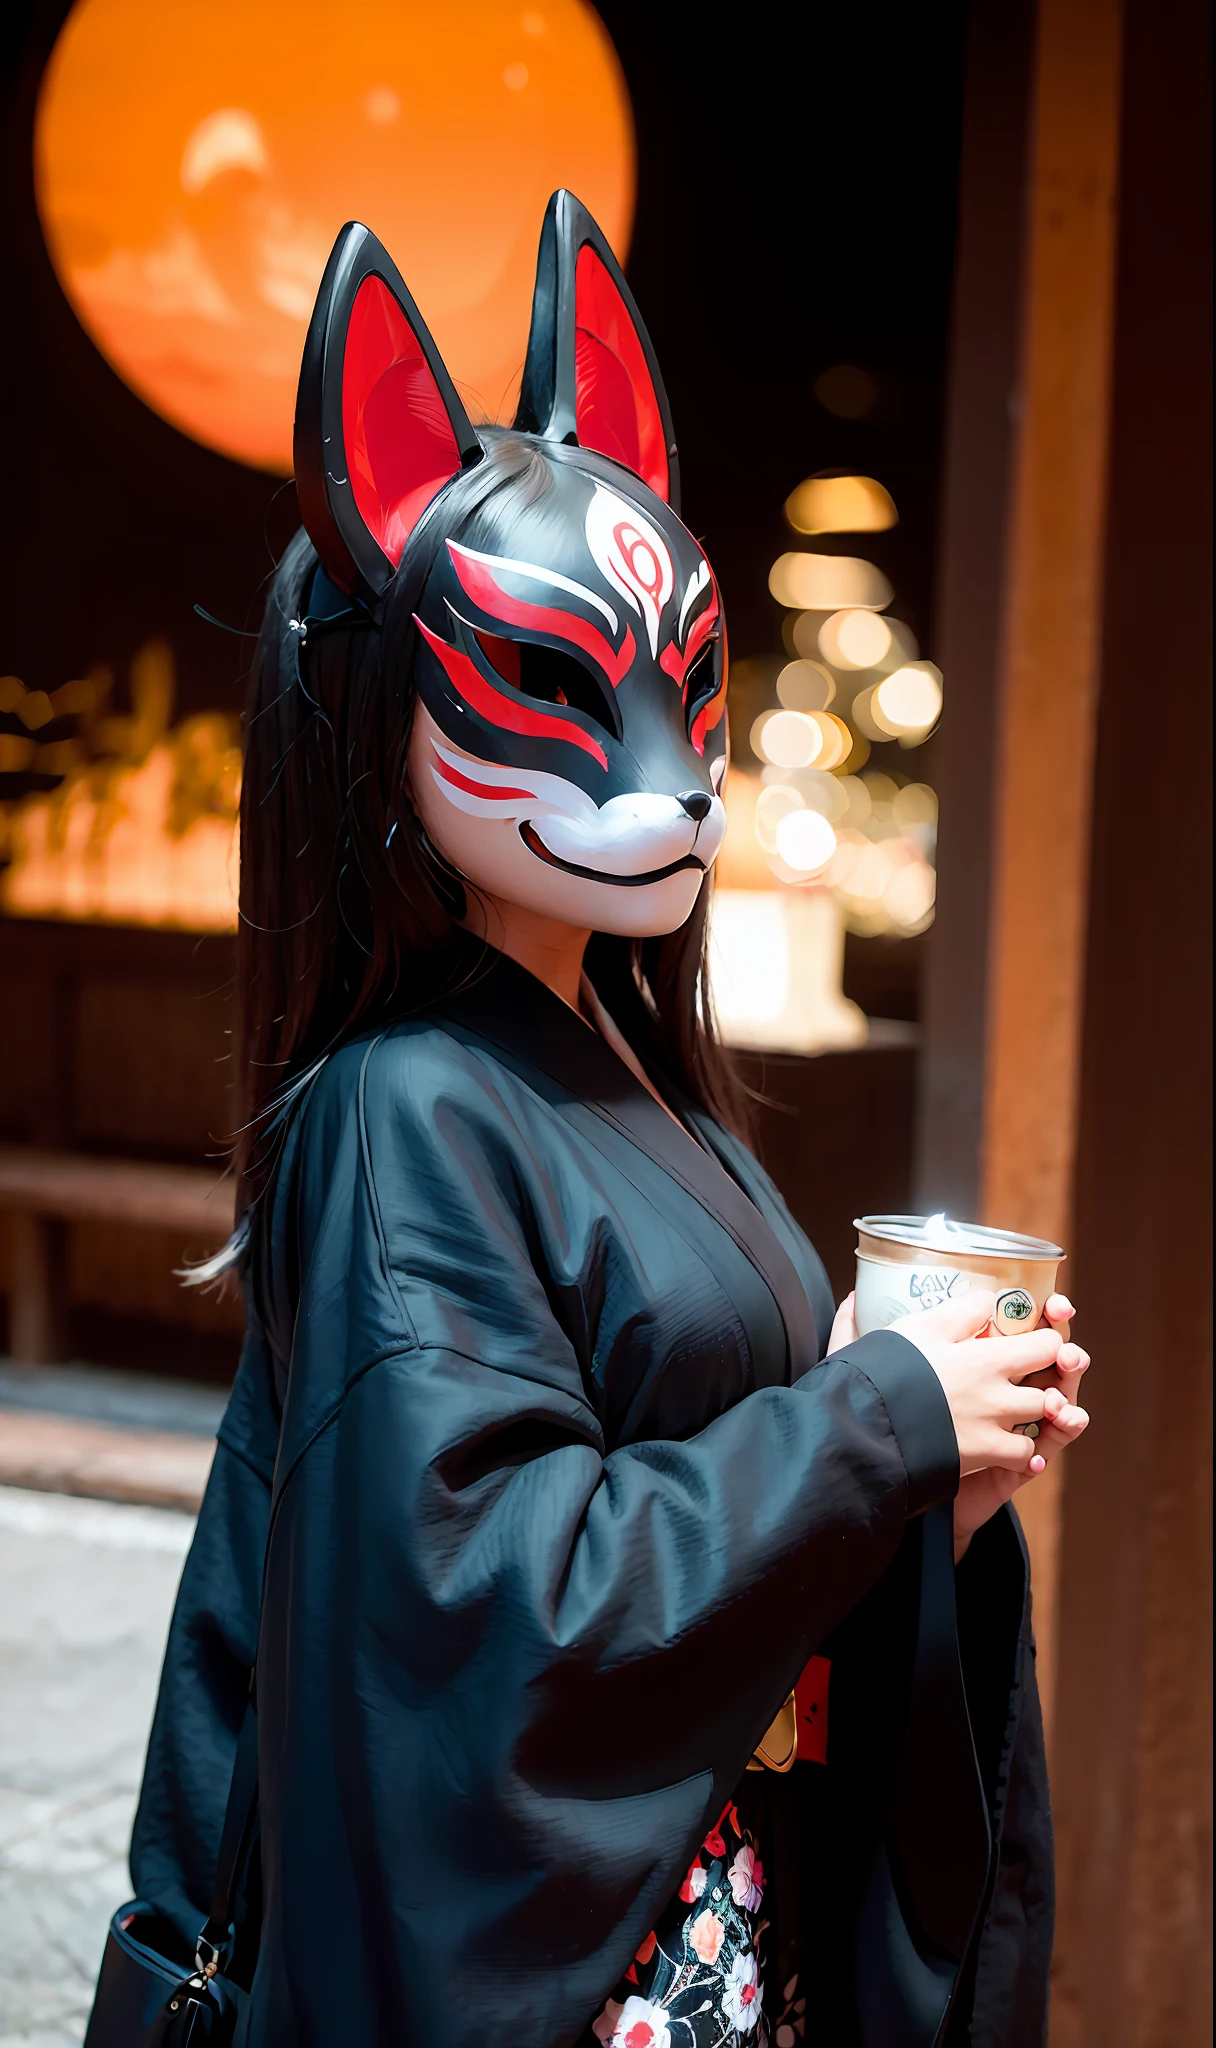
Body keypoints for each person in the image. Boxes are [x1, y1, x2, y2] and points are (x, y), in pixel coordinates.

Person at [127, 193, 1090, 2047]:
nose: (665, 784)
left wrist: (927, 1500)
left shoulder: (623, 1069)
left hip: (713, 1922)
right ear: (388, 705)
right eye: (557, 691)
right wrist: (879, 1421)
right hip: (607, 1974)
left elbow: (694, 1529)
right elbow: (489, 1608)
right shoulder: (408, 1106)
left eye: (687, 693)